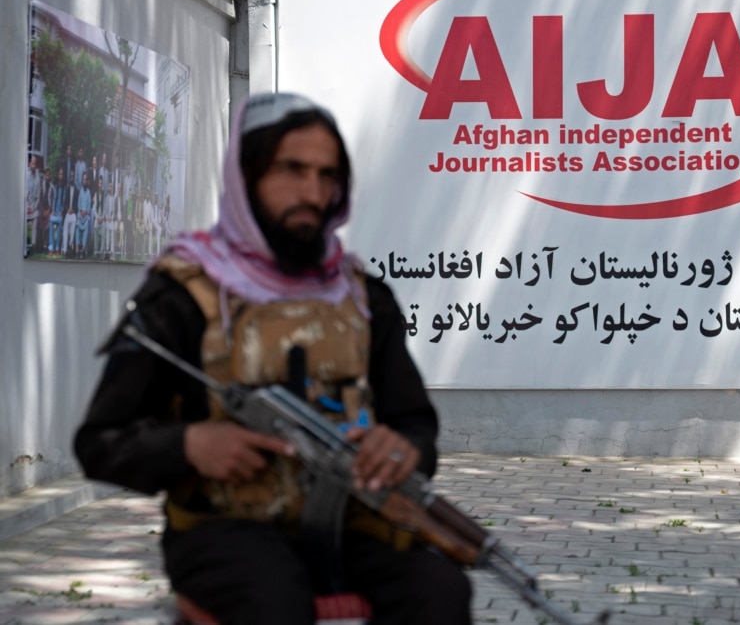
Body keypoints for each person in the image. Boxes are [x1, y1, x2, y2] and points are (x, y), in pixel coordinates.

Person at [74, 92, 472, 624]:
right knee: (271, 604)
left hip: (351, 526)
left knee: (438, 591)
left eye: (327, 175)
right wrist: (188, 444)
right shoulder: (184, 295)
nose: (313, 193)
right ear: (247, 175)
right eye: (293, 170)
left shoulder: (359, 297)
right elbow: (100, 443)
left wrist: (400, 448)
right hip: (227, 533)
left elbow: (414, 424)